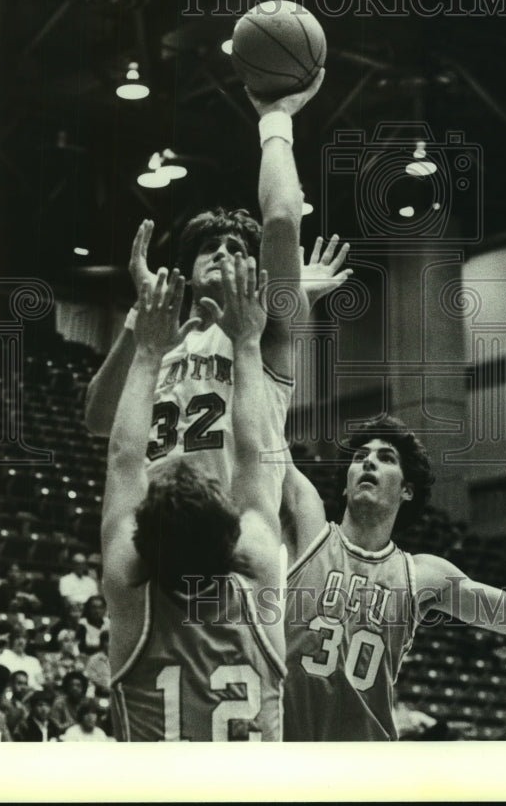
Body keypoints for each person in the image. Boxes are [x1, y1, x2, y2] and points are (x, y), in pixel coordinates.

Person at [84, 73, 349, 497]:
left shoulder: (265, 330)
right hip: (155, 528)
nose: (224, 253)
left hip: (236, 528)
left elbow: (281, 219)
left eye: (237, 248)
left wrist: (276, 120)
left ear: (254, 271)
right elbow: (98, 419)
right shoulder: (155, 343)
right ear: (188, 272)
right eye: (210, 246)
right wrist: (141, 315)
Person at [280, 414, 506, 741]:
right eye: (360, 456)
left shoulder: (422, 575)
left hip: (368, 768)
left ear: (407, 490)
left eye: (386, 458)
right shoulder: (309, 529)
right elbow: (263, 433)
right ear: (346, 481)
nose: (368, 462)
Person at [103, 257, 287, 741]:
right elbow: (255, 453)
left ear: (144, 543)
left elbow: (125, 457)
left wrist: (146, 352)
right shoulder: (261, 584)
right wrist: (248, 343)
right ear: (234, 540)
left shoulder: (132, 602)